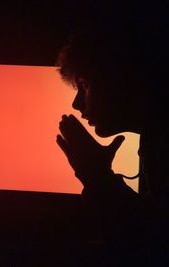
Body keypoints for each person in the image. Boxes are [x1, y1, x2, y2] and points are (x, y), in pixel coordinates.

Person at [56, 1, 169, 266]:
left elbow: (152, 245)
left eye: (84, 85)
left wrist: (97, 176)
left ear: (120, 78)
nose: (76, 104)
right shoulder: (155, 137)